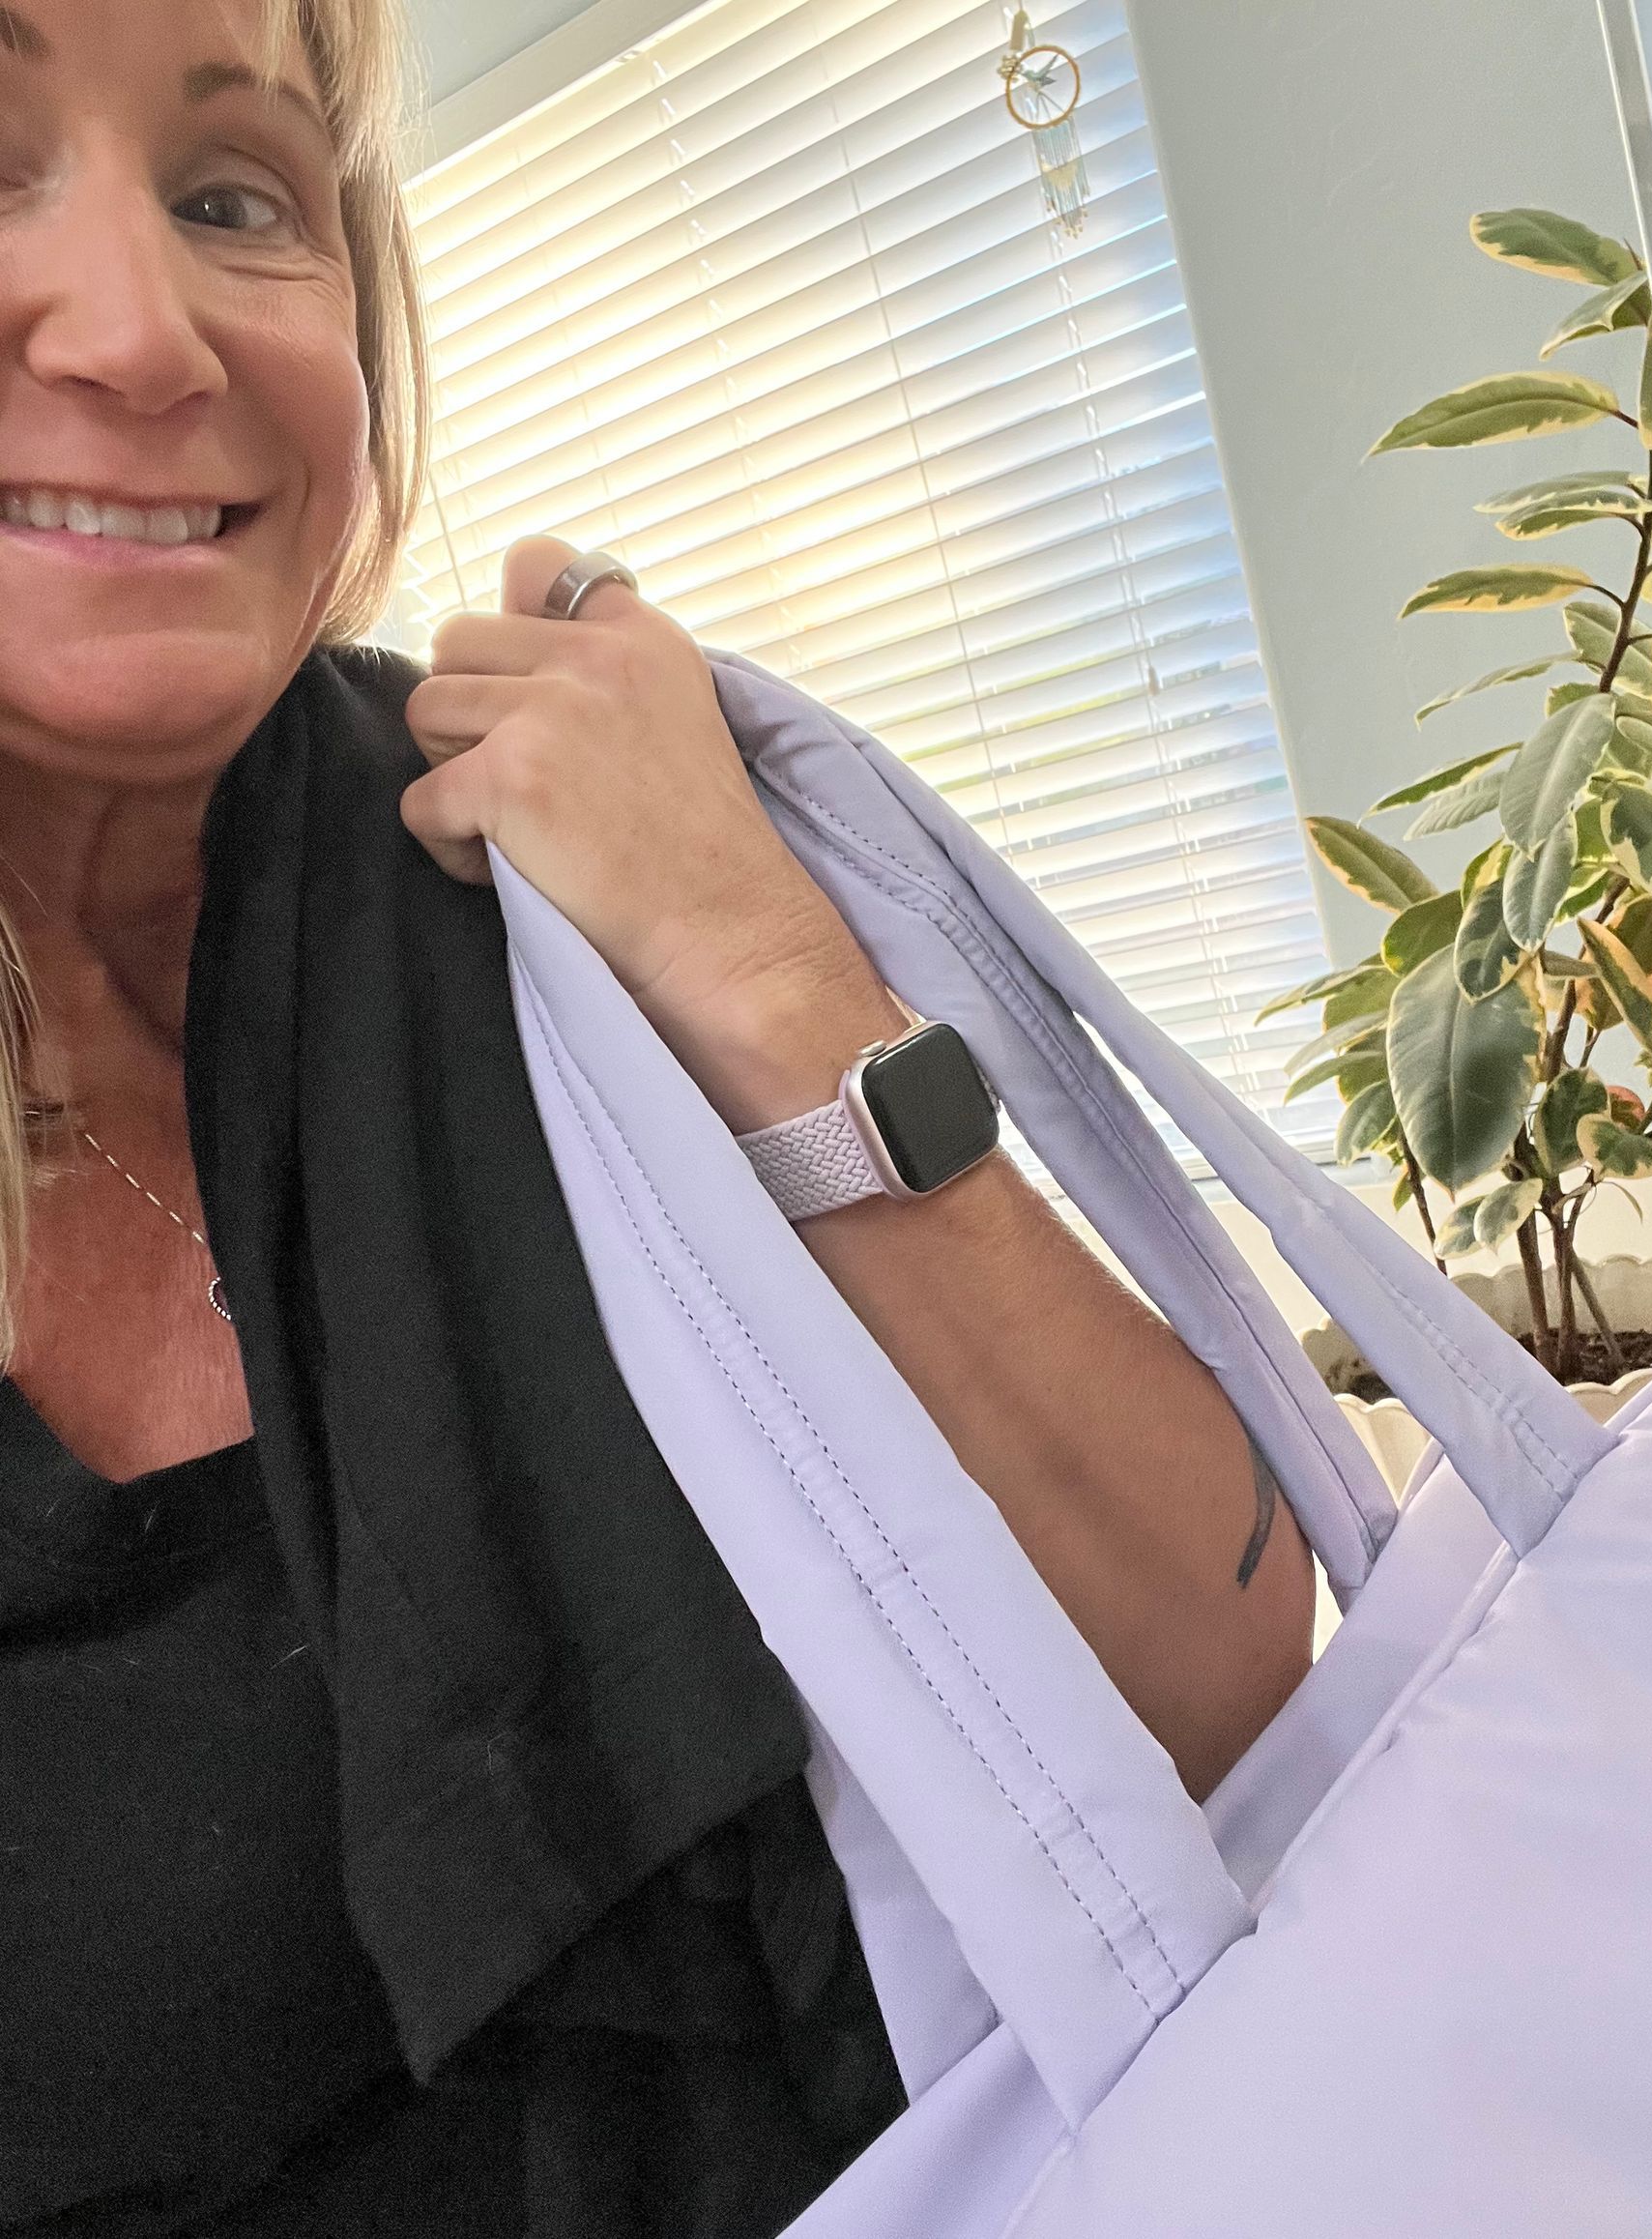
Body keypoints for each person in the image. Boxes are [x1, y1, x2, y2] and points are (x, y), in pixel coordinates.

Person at [0, 0, 1316, 2231]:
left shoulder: (537, 898)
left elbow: (1211, 1677)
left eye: (235, 199)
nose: (140, 332)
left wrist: (762, 960)